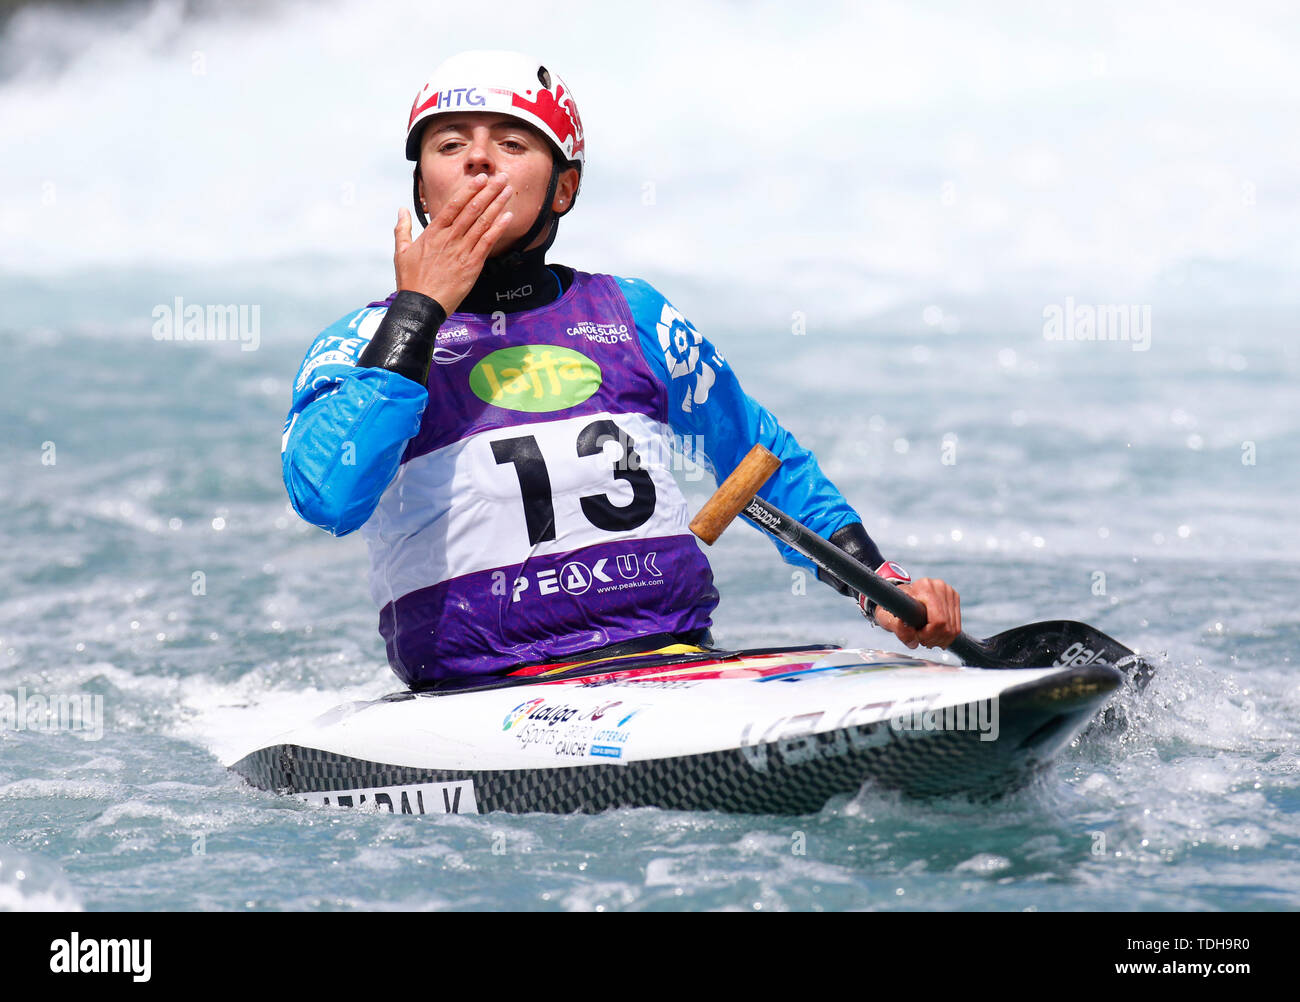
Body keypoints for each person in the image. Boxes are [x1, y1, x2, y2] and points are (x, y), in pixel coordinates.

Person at [281, 50, 962, 686]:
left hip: (668, 664)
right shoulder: (363, 340)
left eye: (512, 144)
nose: (480, 162)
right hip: (478, 693)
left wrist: (879, 581)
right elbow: (328, 497)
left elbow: (761, 460)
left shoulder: (634, 313)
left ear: (563, 188)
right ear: (421, 186)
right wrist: (419, 311)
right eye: (450, 145)